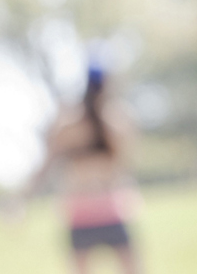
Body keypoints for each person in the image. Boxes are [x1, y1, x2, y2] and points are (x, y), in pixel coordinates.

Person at [17, 66, 142, 274]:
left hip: (95, 209)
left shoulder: (80, 123)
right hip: (100, 209)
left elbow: (47, 165)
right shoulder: (111, 121)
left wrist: (23, 196)